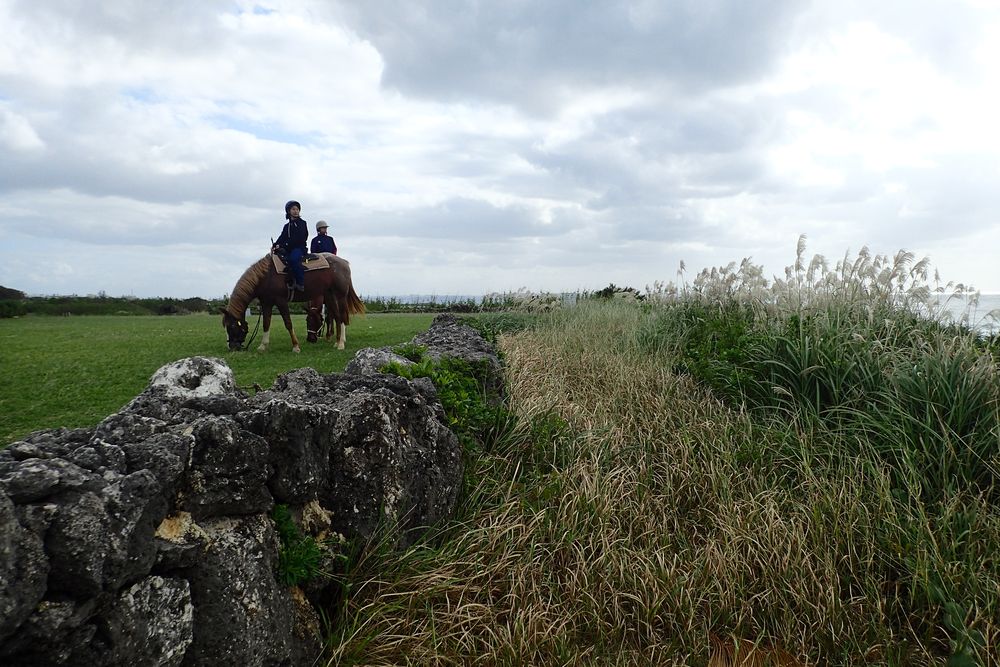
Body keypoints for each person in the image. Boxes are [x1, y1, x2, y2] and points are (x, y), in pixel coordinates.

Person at [273, 200, 309, 290]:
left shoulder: (302, 223)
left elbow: (301, 238)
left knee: (293, 259)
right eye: (293, 209)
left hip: (299, 248)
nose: (296, 211)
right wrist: (276, 245)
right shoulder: (287, 226)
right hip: (289, 249)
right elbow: (282, 237)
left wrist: (284, 245)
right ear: (289, 211)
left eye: (297, 209)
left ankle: (300, 283)